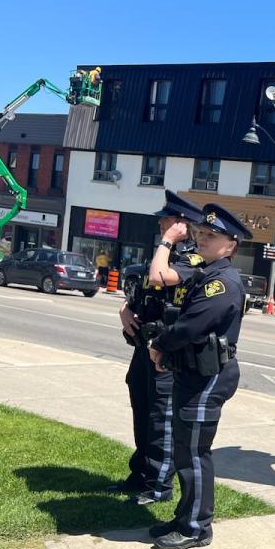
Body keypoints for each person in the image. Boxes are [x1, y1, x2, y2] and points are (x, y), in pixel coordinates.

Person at [147, 204, 251, 549]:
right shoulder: (206, 274)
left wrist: (158, 344)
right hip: (193, 372)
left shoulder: (222, 283)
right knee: (184, 450)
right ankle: (184, 517)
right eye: (201, 234)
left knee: (193, 453)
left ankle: (195, 528)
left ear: (231, 245)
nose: (202, 240)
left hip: (208, 378)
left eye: (211, 236)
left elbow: (191, 326)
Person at [109, 191, 204, 506]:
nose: (160, 222)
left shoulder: (193, 259)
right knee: (142, 412)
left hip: (167, 354)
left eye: (167, 219)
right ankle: (140, 475)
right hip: (142, 349)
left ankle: (158, 487)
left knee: (160, 419)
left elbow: (159, 277)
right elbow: (144, 293)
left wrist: (167, 240)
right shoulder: (164, 254)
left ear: (180, 224)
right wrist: (125, 310)